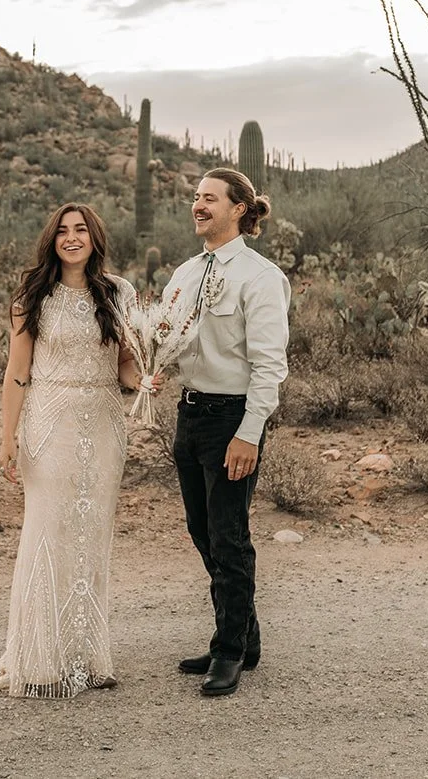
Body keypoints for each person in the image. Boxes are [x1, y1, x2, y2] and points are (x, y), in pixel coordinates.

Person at [0, 203, 146, 699]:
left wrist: (147, 379)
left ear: (95, 237)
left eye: (81, 230)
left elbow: (125, 367)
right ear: (51, 240)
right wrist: (7, 437)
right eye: (62, 232)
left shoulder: (119, 293)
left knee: (91, 536)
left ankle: (86, 659)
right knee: (48, 531)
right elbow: (16, 371)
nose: (71, 238)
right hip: (50, 423)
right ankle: (39, 661)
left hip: (103, 425)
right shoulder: (33, 294)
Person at [157, 168, 291, 697]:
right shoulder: (185, 273)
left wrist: (249, 433)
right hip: (189, 414)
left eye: (209, 198)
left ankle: (230, 649)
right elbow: (170, 337)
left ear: (238, 208)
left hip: (232, 419)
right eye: (195, 197)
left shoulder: (260, 278)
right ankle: (243, 632)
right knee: (200, 530)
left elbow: (268, 364)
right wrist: (154, 360)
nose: (198, 205)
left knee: (229, 536)